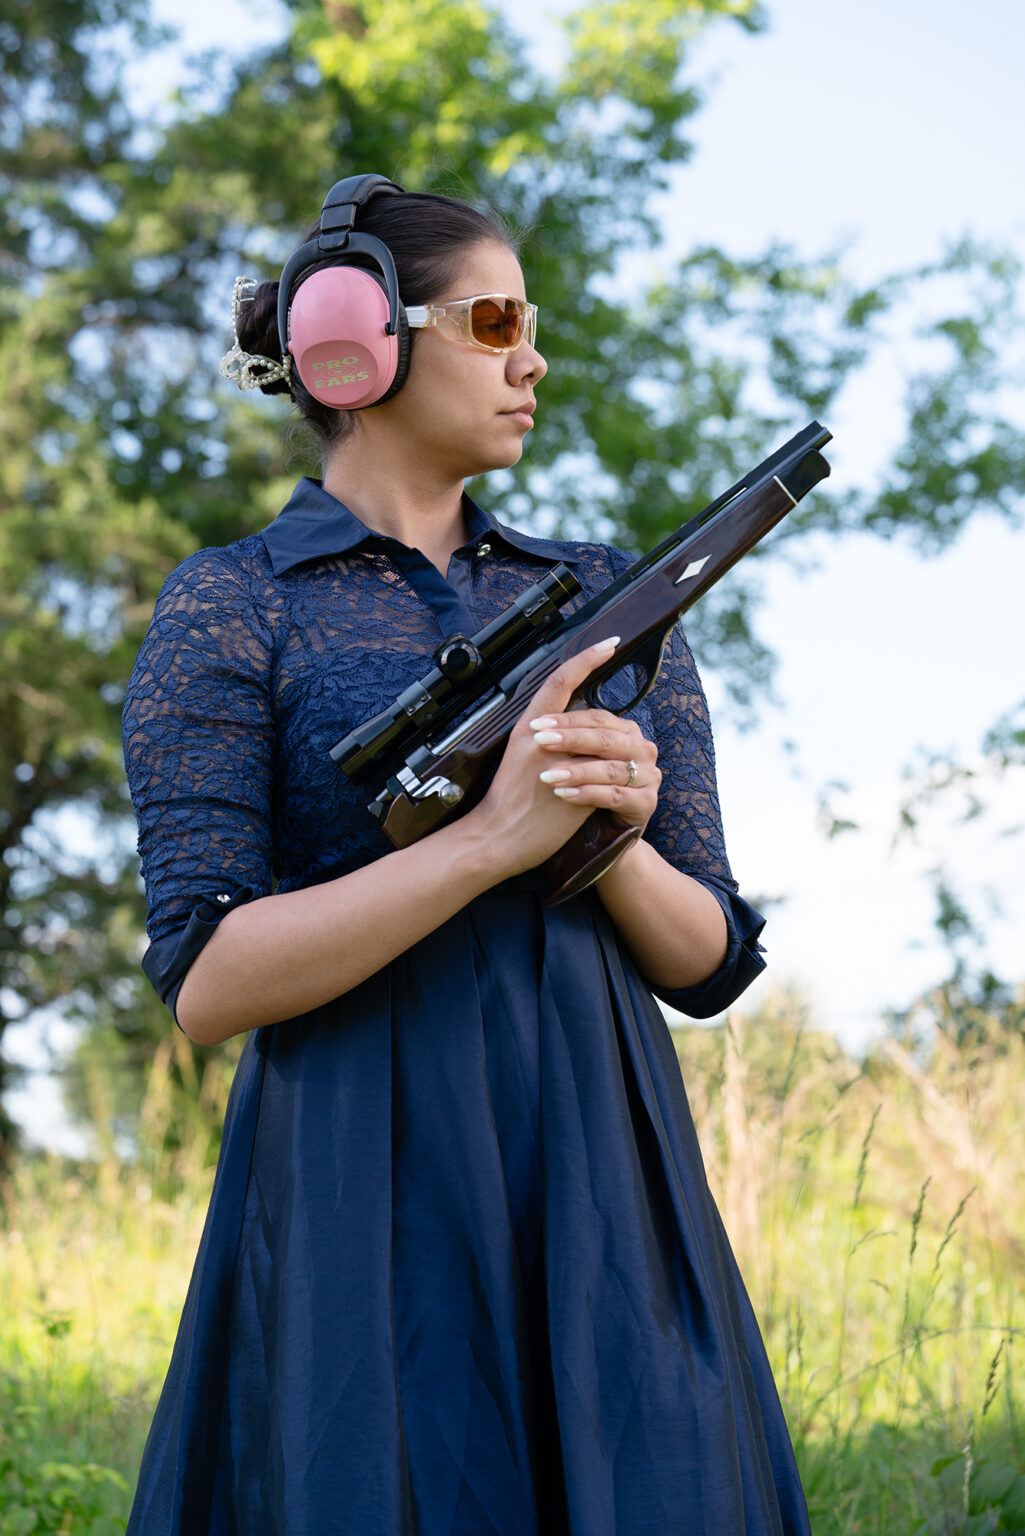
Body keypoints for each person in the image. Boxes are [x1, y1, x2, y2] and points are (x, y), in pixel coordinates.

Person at [122, 173, 810, 1536]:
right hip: (358, 1178)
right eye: (495, 322)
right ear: (357, 340)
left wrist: (610, 837)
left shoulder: (607, 597)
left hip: (601, 1173)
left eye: (528, 325)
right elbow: (208, 978)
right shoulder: (231, 605)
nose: (530, 359)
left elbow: (712, 960)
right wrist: (490, 840)